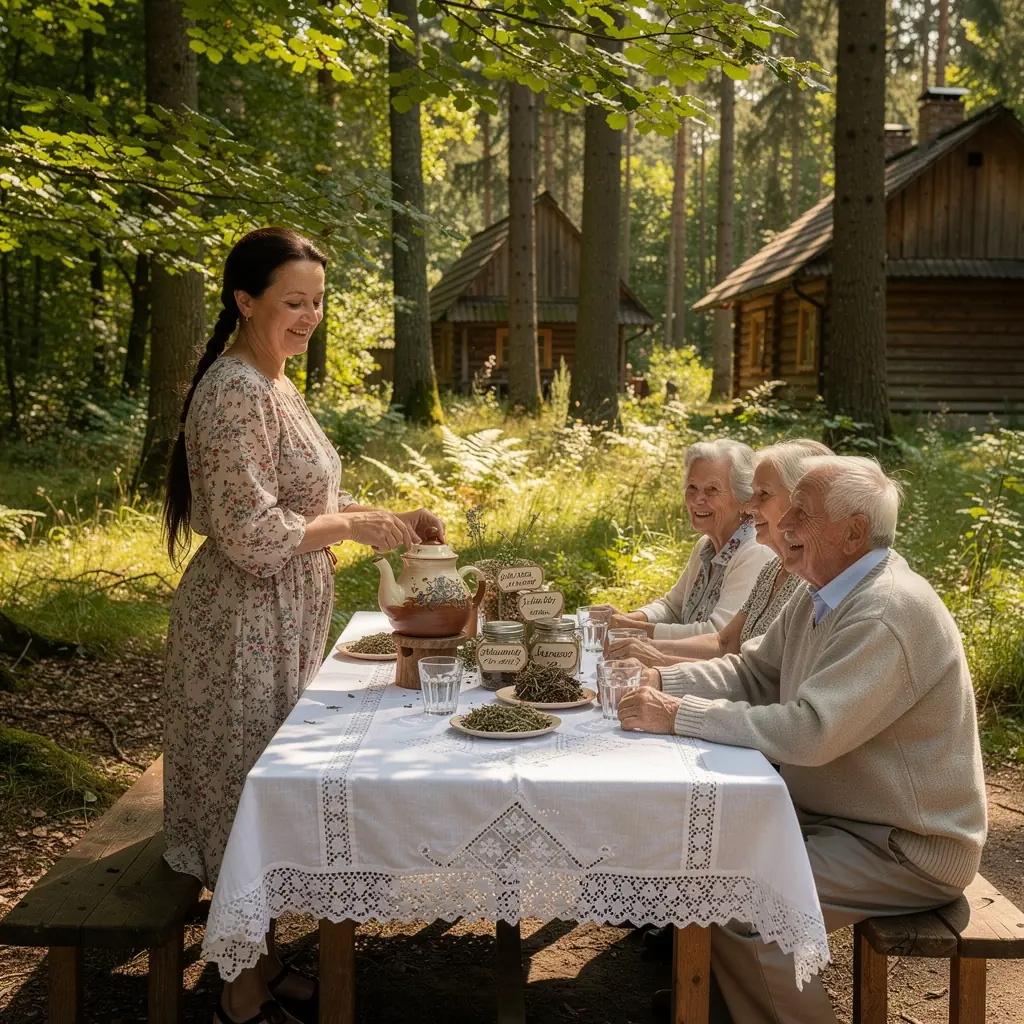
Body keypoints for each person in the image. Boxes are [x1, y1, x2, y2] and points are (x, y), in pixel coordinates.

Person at [161, 227, 444, 1024]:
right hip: (239, 627)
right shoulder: (233, 393)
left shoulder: (278, 383)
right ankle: (238, 994)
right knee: (243, 792)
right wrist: (353, 529)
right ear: (244, 301)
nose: (310, 314)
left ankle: (268, 956)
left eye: (318, 300)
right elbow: (252, 533)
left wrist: (379, 517)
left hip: (281, 617)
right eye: (294, 300)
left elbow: (302, 508)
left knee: (268, 784)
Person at [617, 455, 987, 1024]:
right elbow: (752, 674)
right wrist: (660, 678)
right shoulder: (821, 592)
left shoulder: (885, 612)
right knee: (703, 861)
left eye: (802, 514)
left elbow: (811, 732)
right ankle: (713, 1009)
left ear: (854, 532)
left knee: (747, 904)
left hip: (904, 844)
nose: (782, 524)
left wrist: (678, 714)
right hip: (839, 819)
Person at [607, 439, 831, 669]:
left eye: (711, 490)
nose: (750, 505)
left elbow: (737, 657)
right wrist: (632, 627)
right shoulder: (767, 567)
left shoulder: (766, 557)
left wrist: (647, 646)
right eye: (692, 487)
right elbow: (723, 642)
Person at [595, 439, 774, 639]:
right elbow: (672, 607)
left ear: (744, 499)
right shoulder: (706, 546)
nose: (697, 499)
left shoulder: (754, 551)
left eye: (711, 490)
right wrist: (629, 618)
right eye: (692, 487)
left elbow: (717, 634)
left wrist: (632, 629)